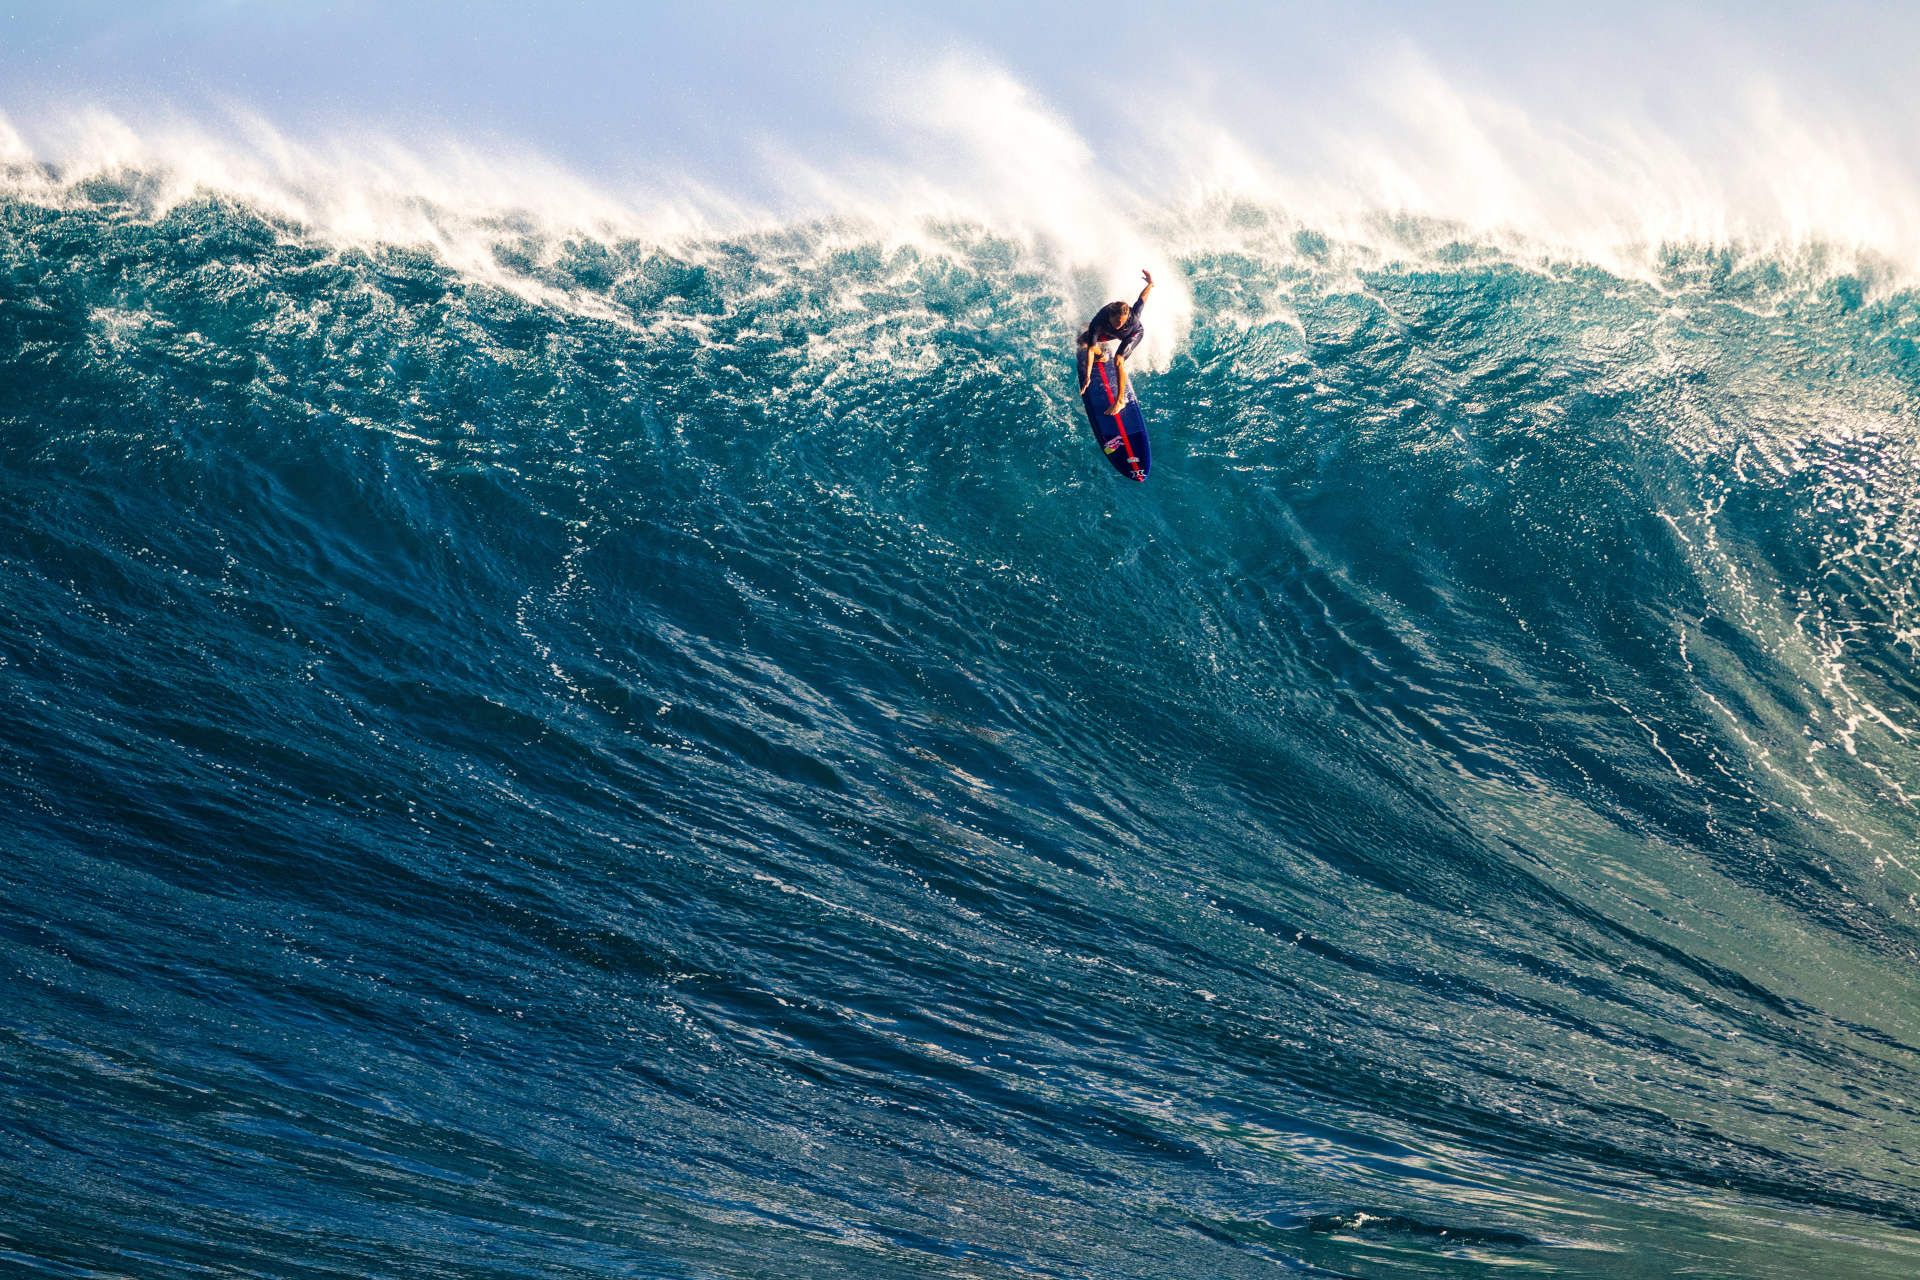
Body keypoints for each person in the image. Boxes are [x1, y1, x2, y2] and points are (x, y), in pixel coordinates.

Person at [1077, 269, 1154, 408]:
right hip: (1109, 333)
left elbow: (1142, 299)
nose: (1119, 325)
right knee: (1083, 341)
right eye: (1116, 322)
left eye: (1122, 322)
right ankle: (1102, 355)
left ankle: (1120, 401)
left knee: (1118, 360)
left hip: (1133, 334)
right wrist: (1087, 376)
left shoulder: (1133, 317)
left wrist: (1150, 283)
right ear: (1110, 317)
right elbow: (1089, 350)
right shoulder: (1100, 319)